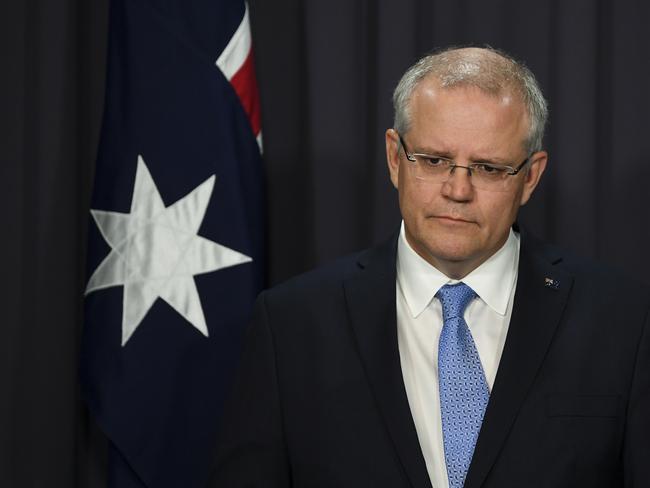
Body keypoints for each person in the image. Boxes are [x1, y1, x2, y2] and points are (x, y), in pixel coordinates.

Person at [209, 47, 650, 487]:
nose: (458, 190)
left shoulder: (623, 322)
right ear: (395, 158)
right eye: (435, 161)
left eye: (489, 168)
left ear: (530, 177)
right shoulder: (291, 326)